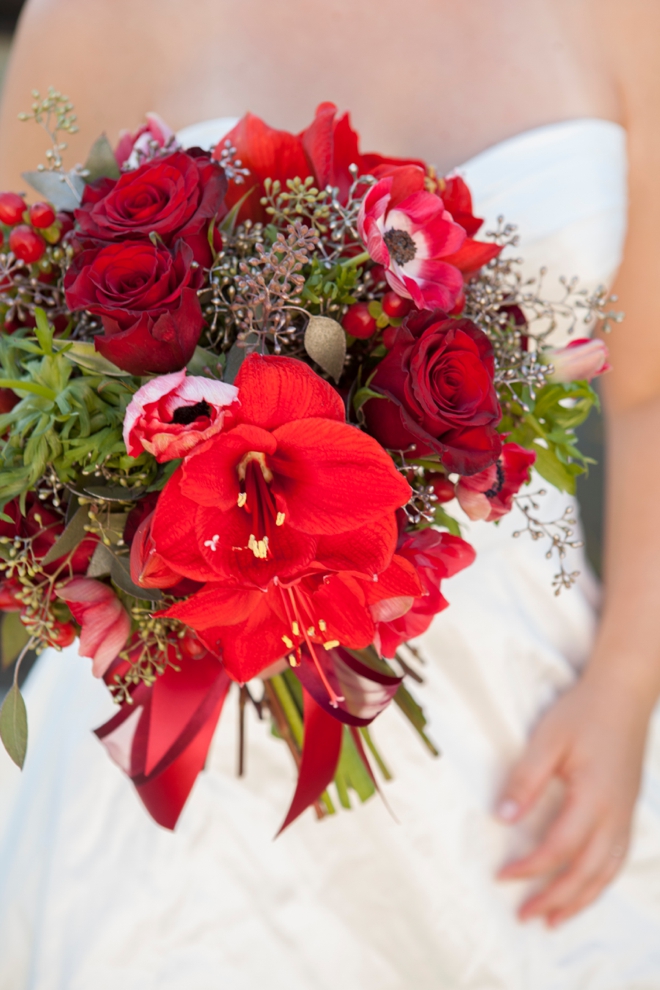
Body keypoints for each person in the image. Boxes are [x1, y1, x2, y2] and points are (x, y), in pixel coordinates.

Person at [1, 1, 660, 986]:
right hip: (189, 749)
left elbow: (649, 392)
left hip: (533, 734)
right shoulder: (101, 12)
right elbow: (21, 362)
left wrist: (624, 694)